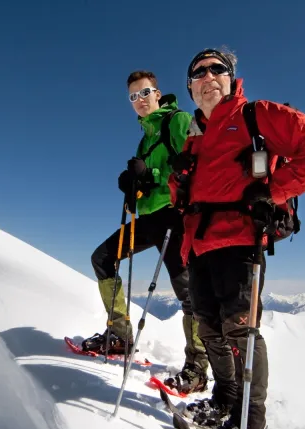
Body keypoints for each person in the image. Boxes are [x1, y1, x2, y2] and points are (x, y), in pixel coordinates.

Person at [168, 48, 305, 429]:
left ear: (231, 78)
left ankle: (250, 425)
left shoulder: (255, 116)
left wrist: (275, 190)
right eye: (198, 72)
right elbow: (184, 196)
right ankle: (226, 400)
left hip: (239, 240)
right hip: (198, 244)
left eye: (217, 69)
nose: (208, 76)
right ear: (191, 88)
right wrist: (177, 179)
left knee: (240, 332)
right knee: (208, 328)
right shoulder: (195, 140)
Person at [80, 70, 210, 392]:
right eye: (133, 97)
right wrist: (133, 187)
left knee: (188, 292)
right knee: (103, 258)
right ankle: (121, 334)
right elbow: (146, 187)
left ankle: (197, 365)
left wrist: (152, 175)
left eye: (144, 93)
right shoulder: (144, 139)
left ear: (157, 93)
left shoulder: (178, 122)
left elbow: (196, 163)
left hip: (175, 218)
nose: (139, 101)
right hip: (150, 220)